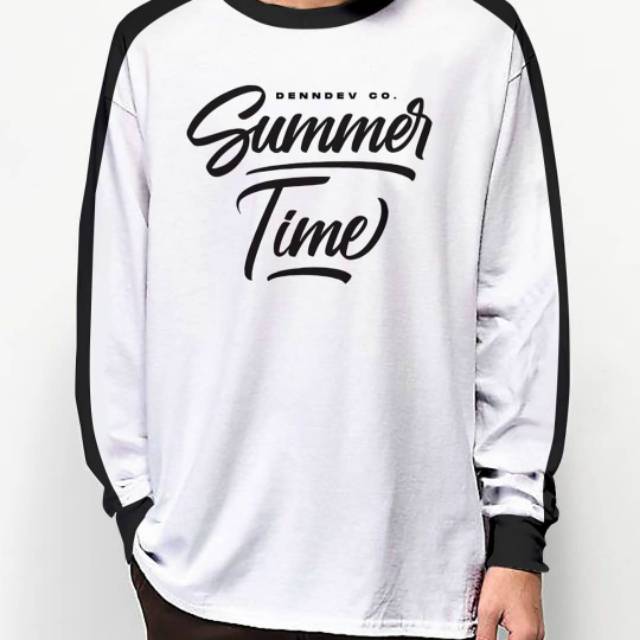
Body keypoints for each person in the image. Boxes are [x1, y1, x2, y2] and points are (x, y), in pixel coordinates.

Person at [76, 1, 569, 639]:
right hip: (203, 584)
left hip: (421, 586)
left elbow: (518, 301)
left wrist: (518, 537)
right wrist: (139, 515)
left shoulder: (478, 41)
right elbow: (115, 304)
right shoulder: (160, 45)